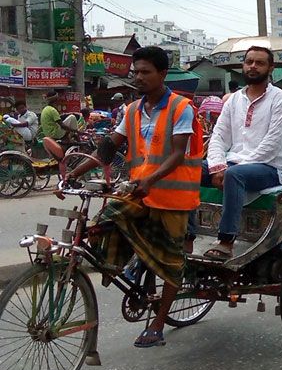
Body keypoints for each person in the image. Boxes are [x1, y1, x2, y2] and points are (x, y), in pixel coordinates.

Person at [60, 46, 204, 348]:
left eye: (145, 72)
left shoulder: (181, 107)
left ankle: (159, 323)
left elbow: (178, 154)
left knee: (171, 263)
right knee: (106, 220)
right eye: (135, 72)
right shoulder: (132, 109)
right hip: (140, 193)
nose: (138, 77)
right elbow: (109, 147)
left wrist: (149, 180)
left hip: (172, 199)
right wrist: (75, 172)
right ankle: (125, 267)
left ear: (162, 74)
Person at [198, 46, 282, 260]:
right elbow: (219, 136)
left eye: (259, 63)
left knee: (234, 174)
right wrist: (217, 166)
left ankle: (225, 241)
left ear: (271, 68)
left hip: (269, 167)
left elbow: (272, 143)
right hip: (233, 164)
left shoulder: (280, 99)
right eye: (249, 61)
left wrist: (231, 168)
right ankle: (187, 233)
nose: (252, 66)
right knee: (187, 169)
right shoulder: (233, 99)